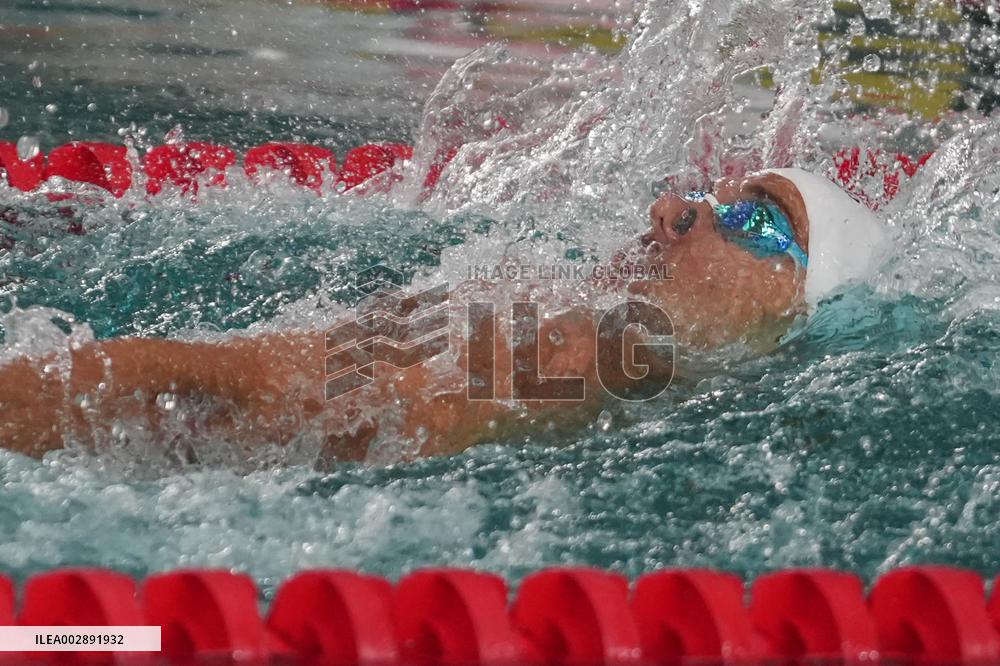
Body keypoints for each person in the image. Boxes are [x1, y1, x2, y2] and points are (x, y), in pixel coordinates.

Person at [0, 168, 886, 462]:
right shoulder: (577, 333)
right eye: (713, 194)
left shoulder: (590, 344)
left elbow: (238, 392)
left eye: (755, 221)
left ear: (792, 304)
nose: (674, 208)